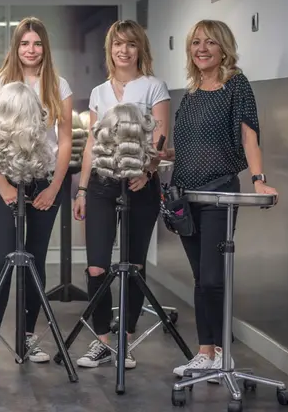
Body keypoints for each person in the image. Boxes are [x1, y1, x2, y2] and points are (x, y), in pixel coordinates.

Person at [163, 20, 278, 379]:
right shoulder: (192, 92)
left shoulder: (235, 85)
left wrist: (258, 180)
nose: (202, 48)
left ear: (224, 48)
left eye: (210, 42)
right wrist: (154, 158)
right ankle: (206, 352)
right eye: (196, 42)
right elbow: (183, 147)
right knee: (200, 278)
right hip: (185, 195)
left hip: (218, 192)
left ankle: (222, 351)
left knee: (213, 278)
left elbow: (249, 137)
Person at [0, 16, 73, 375]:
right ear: (16, 48)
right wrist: (2, 184)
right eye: (24, 43)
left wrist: (54, 188)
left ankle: (28, 337)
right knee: (3, 262)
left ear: (45, 47)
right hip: (8, 180)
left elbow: (64, 142)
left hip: (45, 179)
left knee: (34, 262)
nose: (31, 50)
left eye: (37, 44)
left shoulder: (58, 86)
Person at [71, 20, 168, 370]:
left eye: (130, 44)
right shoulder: (99, 92)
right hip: (101, 183)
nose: (123, 50)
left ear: (140, 48)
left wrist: (148, 172)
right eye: (117, 44)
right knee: (97, 265)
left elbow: (159, 138)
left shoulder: (154, 87)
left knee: (133, 265)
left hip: (140, 185)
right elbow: (92, 145)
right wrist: (82, 188)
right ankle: (102, 342)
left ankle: (125, 338)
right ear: (109, 50)